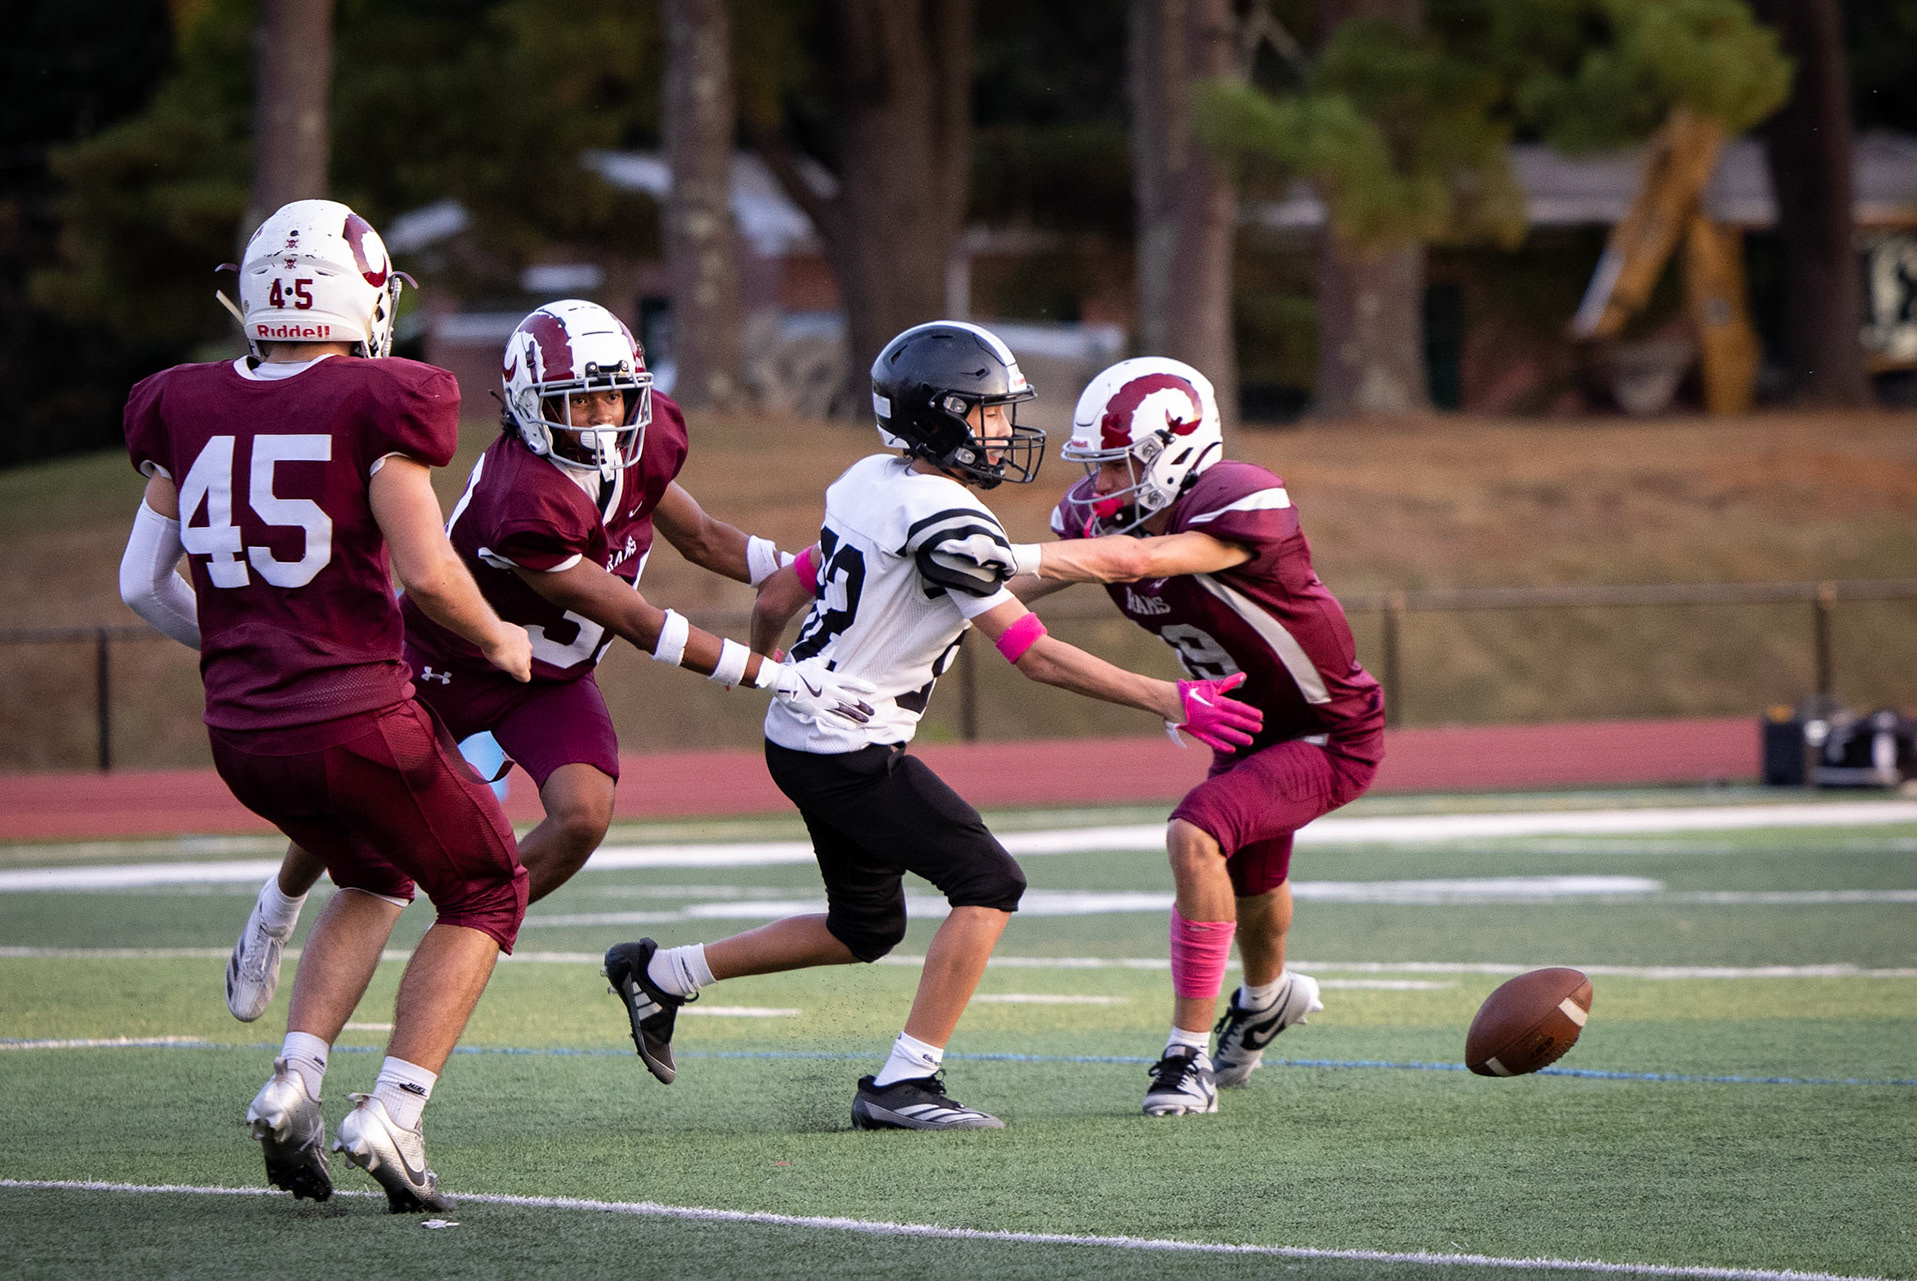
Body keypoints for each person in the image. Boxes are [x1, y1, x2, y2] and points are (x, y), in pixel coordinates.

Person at [599, 322, 1262, 1130]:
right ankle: (904, 1082)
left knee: (865, 925)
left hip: (804, 734)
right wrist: (1167, 696)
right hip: (849, 747)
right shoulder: (947, 521)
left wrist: (773, 674)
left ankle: (661, 973)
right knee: (990, 882)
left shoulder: (870, 481)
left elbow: (778, 594)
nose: (1002, 429)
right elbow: (1036, 655)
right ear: (939, 416)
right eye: (986, 413)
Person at [216, 299, 868, 1024]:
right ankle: (277, 908)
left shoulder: (642, 443)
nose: (601, 418)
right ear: (530, 407)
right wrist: (775, 675)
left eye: (611, 396)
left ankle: (464, 929)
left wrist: (817, 571)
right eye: (577, 402)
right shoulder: (523, 498)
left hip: (546, 675)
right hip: (445, 658)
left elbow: (710, 540)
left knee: (583, 814)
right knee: (360, 819)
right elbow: (641, 622)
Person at [118, 199, 536, 1212]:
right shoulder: (381, 397)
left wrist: (245, 653)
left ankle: (293, 1086)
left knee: (374, 868)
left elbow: (141, 582)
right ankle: (392, 1109)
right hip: (353, 715)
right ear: (365, 297)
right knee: (488, 887)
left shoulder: (183, 400)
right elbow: (429, 575)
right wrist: (498, 640)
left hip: (242, 732)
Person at [1010, 357, 1386, 1117]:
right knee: (1252, 886)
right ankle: (1269, 997)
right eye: (1097, 467)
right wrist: (924, 586)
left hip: (1327, 729)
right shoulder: (1095, 522)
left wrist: (999, 555)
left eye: (1117, 467)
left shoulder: (1236, 499)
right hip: (1241, 729)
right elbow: (1012, 591)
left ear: (1171, 452)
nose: (1100, 486)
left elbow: (1140, 559)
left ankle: (1185, 1058)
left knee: (1195, 832)